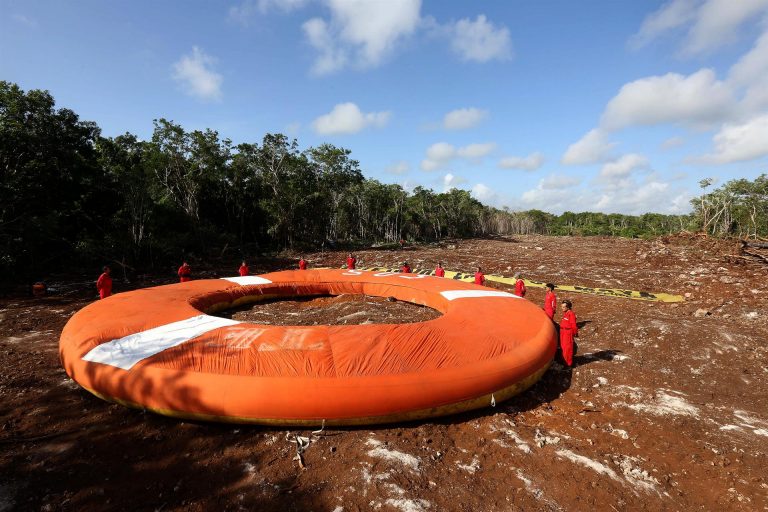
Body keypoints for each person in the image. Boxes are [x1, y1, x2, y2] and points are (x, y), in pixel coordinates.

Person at [559, 299, 578, 367]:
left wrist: (575, 333)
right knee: (563, 347)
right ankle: (564, 361)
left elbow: (573, 325)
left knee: (567, 348)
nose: (562, 308)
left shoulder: (571, 314)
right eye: (562, 307)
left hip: (567, 333)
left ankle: (568, 364)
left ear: (568, 307)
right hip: (563, 332)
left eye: (564, 307)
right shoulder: (566, 313)